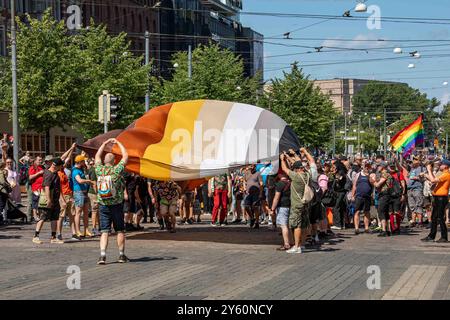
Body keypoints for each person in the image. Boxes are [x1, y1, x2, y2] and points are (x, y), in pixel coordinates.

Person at [95, 138, 129, 265]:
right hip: (116, 204)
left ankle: (102, 255)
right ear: (114, 161)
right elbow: (125, 156)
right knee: (120, 230)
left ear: (104, 161)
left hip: (103, 203)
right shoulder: (116, 170)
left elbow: (97, 156)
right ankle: (121, 255)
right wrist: (119, 143)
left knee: (104, 231)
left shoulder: (99, 170)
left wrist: (104, 144)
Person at [280, 147, 317, 254]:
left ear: (296, 169)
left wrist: (282, 159)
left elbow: (284, 169)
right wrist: (289, 156)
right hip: (305, 203)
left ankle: (297, 246)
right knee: (304, 224)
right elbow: (308, 163)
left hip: (296, 204)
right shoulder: (308, 175)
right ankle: (302, 244)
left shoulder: (295, 176)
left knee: (296, 225)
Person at [32, 158, 65, 244]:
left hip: (55, 199)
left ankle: (53, 237)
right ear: (56, 166)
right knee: (43, 217)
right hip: (48, 199)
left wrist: (62, 199)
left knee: (54, 218)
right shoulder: (48, 174)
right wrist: (48, 200)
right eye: (61, 166)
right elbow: (46, 186)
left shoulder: (55, 173)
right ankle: (36, 236)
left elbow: (58, 187)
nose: (61, 167)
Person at [422, 159, 450, 242]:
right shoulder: (443, 174)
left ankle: (444, 237)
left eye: (441, 164)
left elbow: (433, 180)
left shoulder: (447, 174)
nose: (439, 165)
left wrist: (429, 170)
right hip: (438, 197)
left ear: (445, 166)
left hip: (441, 198)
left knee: (440, 217)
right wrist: (427, 174)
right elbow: (433, 180)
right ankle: (431, 236)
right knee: (434, 217)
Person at [269, 172, 293, 251]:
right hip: (291, 206)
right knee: (289, 225)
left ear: (280, 176)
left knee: (284, 226)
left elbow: (276, 198)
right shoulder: (291, 183)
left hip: (282, 206)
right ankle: (292, 242)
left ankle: (286, 244)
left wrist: (272, 209)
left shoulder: (279, 184)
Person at [72, 154, 93, 238]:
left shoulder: (81, 170)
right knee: (78, 212)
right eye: (83, 161)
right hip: (78, 192)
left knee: (86, 212)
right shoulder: (75, 171)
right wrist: (88, 181)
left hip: (85, 192)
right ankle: (78, 231)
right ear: (80, 162)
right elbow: (79, 180)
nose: (85, 162)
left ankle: (86, 230)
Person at [351, 161, 374, 234]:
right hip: (358, 196)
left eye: (368, 167)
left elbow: (372, 184)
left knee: (366, 212)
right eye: (365, 166)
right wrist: (352, 195)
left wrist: (368, 176)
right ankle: (356, 228)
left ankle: (366, 228)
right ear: (363, 167)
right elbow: (354, 185)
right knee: (357, 211)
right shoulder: (358, 174)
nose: (367, 168)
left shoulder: (371, 175)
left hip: (367, 197)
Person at [373, 162, 393, 237]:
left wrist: (373, 181)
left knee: (381, 211)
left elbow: (378, 185)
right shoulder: (387, 173)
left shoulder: (385, 173)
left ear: (383, 167)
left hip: (384, 195)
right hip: (387, 195)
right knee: (385, 212)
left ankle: (384, 230)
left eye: (379, 166)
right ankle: (388, 230)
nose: (378, 167)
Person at [405, 156, 426, 227]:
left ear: (419, 161)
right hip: (410, 189)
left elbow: (424, 178)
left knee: (419, 205)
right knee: (412, 206)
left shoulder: (422, 168)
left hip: (417, 188)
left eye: (416, 160)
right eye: (413, 160)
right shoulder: (412, 169)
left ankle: (420, 222)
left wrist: (416, 177)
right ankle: (413, 221)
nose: (414, 161)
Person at [389, 162, 407, 235]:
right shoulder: (387, 174)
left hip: (397, 195)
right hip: (389, 195)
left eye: (393, 167)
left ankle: (398, 228)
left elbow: (403, 184)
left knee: (397, 212)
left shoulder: (399, 174)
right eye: (391, 167)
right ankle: (392, 228)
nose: (392, 168)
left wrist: (403, 194)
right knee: (390, 212)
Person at [28, 156, 45, 222]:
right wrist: (39, 173)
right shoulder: (32, 167)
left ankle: (40, 215)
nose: (40, 161)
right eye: (39, 160)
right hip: (35, 187)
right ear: (35, 161)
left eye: (41, 160)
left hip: (42, 187)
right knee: (35, 201)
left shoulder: (42, 167)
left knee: (41, 201)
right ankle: (35, 215)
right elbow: (30, 177)